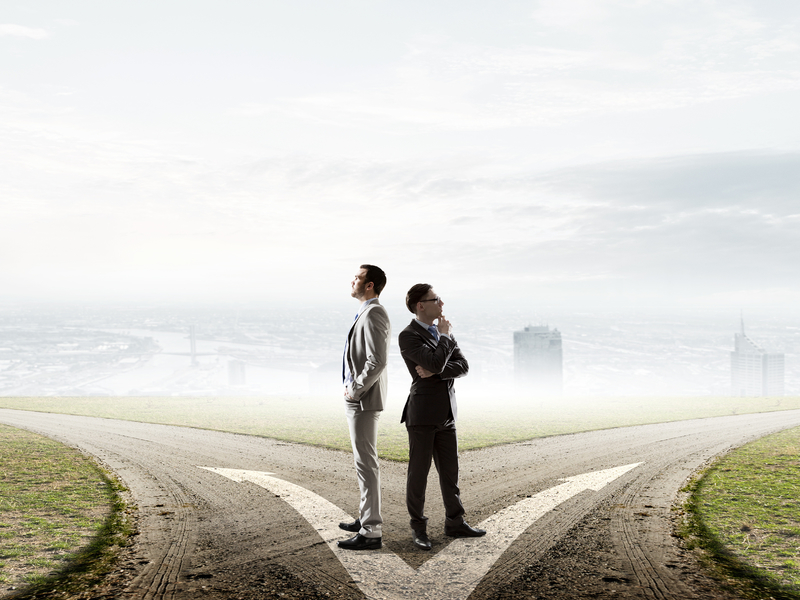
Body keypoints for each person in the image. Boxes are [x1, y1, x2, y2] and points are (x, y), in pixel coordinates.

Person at [398, 283, 486, 551]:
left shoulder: (442, 334)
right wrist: (445, 343)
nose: (442, 304)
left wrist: (437, 369)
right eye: (436, 299)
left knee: (450, 474)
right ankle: (418, 528)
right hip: (422, 415)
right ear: (420, 305)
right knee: (419, 475)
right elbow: (437, 362)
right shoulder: (408, 336)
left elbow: (463, 366)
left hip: (447, 413)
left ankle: (455, 523)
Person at [337, 264, 391, 550]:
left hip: (363, 399)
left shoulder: (375, 313)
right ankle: (365, 517)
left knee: (366, 463)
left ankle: (371, 531)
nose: (353, 280)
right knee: (362, 462)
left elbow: (378, 360)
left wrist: (355, 389)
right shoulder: (365, 312)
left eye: (357, 277)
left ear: (369, 285)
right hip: (360, 398)